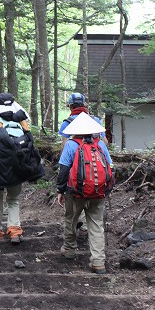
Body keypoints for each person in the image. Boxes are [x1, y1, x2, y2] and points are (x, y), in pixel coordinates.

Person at [56, 112, 114, 274]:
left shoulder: (71, 144)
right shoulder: (100, 144)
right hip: (98, 192)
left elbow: (64, 170)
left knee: (71, 219)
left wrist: (60, 190)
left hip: (75, 192)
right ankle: (98, 261)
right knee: (96, 225)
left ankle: (69, 250)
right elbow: (110, 166)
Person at [0, 92, 34, 244]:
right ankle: (15, 232)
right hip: (17, 165)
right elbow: (29, 143)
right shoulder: (21, 120)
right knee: (13, 200)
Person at [58, 92, 107, 237]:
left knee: (71, 215)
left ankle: (69, 248)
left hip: (75, 181)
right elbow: (106, 144)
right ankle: (98, 258)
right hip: (98, 179)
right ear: (84, 105)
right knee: (96, 220)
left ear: (71, 106)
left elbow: (64, 148)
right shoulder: (95, 120)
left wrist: (60, 188)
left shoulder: (67, 122)